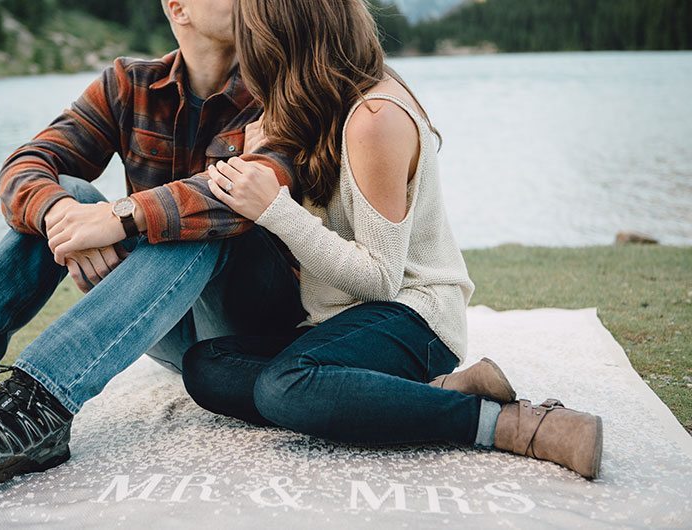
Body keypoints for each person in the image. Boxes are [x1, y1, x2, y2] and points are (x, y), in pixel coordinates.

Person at [181, 0, 604, 480]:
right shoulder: (320, 105)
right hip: (339, 323)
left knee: (283, 388)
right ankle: (435, 391)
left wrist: (277, 211)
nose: (247, 53)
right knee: (206, 365)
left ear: (287, 40)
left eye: (254, 36)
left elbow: (381, 279)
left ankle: (506, 423)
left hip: (416, 316)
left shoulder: (374, 116)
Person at [0, 0, 306, 484]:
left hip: (250, 324)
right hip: (162, 326)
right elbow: (27, 163)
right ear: (178, 8)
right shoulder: (129, 83)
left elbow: (256, 187)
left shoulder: (282, 91)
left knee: (203, 214)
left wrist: (120, 217)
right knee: (64, 193)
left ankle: (37, 407)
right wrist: (63, 215)